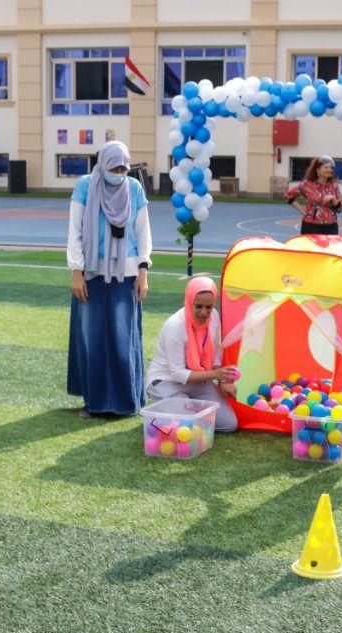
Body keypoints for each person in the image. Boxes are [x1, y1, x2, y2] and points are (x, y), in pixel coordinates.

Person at [67, 140, 152, 419]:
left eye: (123, 168)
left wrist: (143, 271)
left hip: (126, 274)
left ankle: (126, 402)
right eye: (114, 167)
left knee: (122, 336)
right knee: (92, 336)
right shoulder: (85, 185)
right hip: (91, 272)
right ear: (103, 165)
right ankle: (96, 402)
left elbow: (142, 233)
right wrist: (76, 271)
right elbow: (75, 229)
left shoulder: (134, 189)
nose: (119, 173)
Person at [144, 276, 238, 432]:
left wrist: (223, 381)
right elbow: (177, 373)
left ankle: (181, 408)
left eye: (209, 306)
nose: (204, 312)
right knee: (189, 427)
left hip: (198, 381)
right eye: (199, 306)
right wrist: (216, 374)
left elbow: (214, 355)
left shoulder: (214, 317)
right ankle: (167, 410)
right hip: (166, 382)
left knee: (229, 424)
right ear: (189, 301)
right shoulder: (175, 326)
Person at [285, 155, 342, 235]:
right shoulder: (307, 185)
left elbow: (340, 209)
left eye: (331, 168)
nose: (329, 170)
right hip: (311, 227)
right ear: (318, 170)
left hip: (331, 228)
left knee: (330, 248)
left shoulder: (334, 186)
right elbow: (288, 195)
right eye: (326, 167)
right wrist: (302, 210)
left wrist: (333, 199)